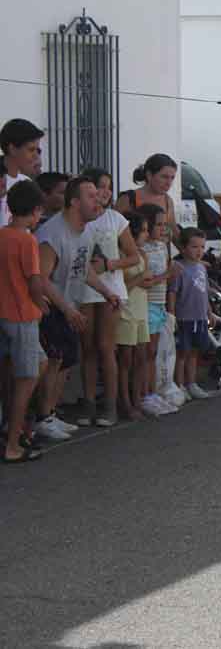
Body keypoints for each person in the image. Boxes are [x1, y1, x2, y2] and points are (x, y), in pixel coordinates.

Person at [35, 176, 121, 441]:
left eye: (99, 195)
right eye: (91, 196)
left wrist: (107, 292)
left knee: (64, 361)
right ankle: (41, 418)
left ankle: (50, 413)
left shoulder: (86, 230)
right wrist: (67, 309)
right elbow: (41, 279)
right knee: (54, 361)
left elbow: (83, 270)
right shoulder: (52, 233)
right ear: (74, 202)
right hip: (50, 308)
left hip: (69, 304)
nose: (99, 200)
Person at [77, 169, 139, 428]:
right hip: (83, 290)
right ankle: (89, 403)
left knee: (106, 346)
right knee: (87, 348)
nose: (105, 192)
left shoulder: (116, 219)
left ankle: (110, 405)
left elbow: (134, 256)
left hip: (111, 289)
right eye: (99, 187)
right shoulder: (79, 220)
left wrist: (110, 264)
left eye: (108, 187)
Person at [1, 181, 48, 462]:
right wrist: (42, 303)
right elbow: (34, 280)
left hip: (4, 313)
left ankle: (10, 428)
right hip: (22, 314)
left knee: (33, 366)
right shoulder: (27, 240)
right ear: (36, 210)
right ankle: (13, 442)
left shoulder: (2, 235)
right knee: (26, 379)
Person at [137, 204, 178, 414]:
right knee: (146, 353)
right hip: (147, 303)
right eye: (159, 225)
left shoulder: (163, 246)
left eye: (165, 225)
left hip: (159, 304)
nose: (163, 229)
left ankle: (152, 392)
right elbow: (145, 280)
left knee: (154, 353)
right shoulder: (142, 249)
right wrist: (166, 275)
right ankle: (144, 394)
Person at [167, 228, 215, 402]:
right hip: (184, 318)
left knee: (194, 353)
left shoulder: (202, 268)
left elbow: (204, 293)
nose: (199, 251)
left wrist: (209, 312)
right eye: (194, 247)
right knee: (182, 353)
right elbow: (172, 293)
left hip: (199, 318)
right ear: (184, 247)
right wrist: (172, 315)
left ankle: (191, 383)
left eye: (202, 247)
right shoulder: (178, 268)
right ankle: (179, 385)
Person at [116, 213, 153, 421]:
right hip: (126, 311)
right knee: (125, 360)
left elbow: (146, 281)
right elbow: (122, 287)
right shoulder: (122, 255)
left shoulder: (142, 254)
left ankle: (137, 398)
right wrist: (140, 278)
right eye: (144, 230)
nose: (146, 234)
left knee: (141, 357)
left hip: (141, 310)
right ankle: (125, 401)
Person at [115, 154, 179, 241]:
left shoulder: (168, 201)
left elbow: (174, 233)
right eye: (164, 177)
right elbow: (114, 232)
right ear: (149, 175)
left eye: (172, 178)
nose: (169, 183)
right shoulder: (128, 199)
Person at [1, 118, 44, 226]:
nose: (36, 156)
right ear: (12, 149)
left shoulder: (26, 182)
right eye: (31, 150)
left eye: (37, 150)